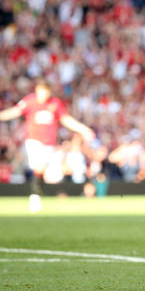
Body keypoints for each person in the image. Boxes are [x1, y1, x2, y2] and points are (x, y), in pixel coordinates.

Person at [0, 80, 95, 212]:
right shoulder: (30, 101)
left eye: (45, 92)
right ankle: (34, 198)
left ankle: (38, 194)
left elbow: (66, 119)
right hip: (34, 141)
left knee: (48, 174)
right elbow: (15, 111)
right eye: (40, 91)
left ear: (49, 91)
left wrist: (83, 129)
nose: (42, 95)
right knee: (39, 167)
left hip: (49, 144)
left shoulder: (55, 103)